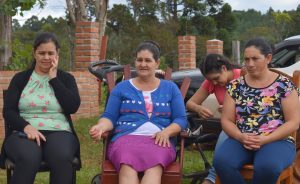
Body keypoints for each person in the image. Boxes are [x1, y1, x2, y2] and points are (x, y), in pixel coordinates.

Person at [89, 41, 187, 184]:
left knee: (154, 168)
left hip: (159, 140)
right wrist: (100, 127)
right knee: (127, 167)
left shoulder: (170, 88)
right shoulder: (121, 88)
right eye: (139, 60)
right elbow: (109, 117)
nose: (143, 64)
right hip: (125, 139)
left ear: (157, 63)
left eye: (148, 60)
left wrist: (166, 132)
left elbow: (181, 119)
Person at [214, 38, 300, 184]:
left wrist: (266, 139)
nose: (250, 64)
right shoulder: (235, 86)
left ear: (268, 58)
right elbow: (226, 120)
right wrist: (240, 136)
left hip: (277, 140)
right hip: (241, 139)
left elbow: (293, 122)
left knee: (268, 166)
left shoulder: (284, 85)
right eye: (247, 59)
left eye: (255, 59)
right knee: (222, 162)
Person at [1, 32, 81, 184]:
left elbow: (72, 107)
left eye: (50, 53)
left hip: (60, 131)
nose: (46, 57)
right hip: (24, 133)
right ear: (34, 53)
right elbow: (8, 111)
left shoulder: (66, 79)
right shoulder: (20, 79)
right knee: (29, 157)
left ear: (57, 54)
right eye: (41, 53)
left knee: (61, 156)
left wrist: (54, 79)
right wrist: (26, 127)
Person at [186, 53, 241, 184]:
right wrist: (199, 109)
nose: (215, 83)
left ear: (223, 68)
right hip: (230, 126)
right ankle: (212, 178)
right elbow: (190, 103)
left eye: (216, 78)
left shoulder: (242, 75)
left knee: (224, 144)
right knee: (225, 138)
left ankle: (210, 179)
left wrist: (232, 108)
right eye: (211, 80)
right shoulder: (212, 82)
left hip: (249, 124)